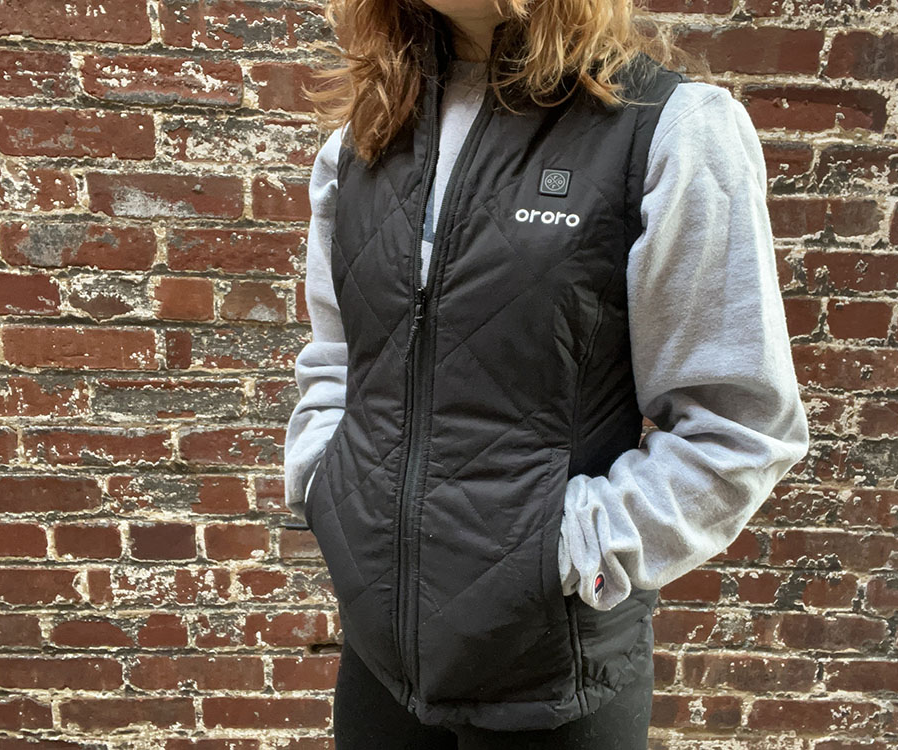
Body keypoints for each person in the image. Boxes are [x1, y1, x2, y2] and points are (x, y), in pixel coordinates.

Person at [283, 0, 810, 747]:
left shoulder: (669, 130)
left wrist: (561, 551)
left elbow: (739, 427)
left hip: (551, 677)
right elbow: (339, 358)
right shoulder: (363, 142)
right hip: (379, 666)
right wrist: (324, 481)